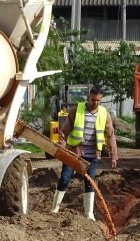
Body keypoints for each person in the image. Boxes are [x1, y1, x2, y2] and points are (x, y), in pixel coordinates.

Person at [50, 86, 118, 220]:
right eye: (93, 100)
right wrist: (62, 149)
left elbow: (110, 136)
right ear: (88, 98)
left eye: (99, 100)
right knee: (64, 178)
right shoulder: (77, 111)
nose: (96, 103)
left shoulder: (105, 114)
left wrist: (113, 155)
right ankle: (55, 209)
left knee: (90, 182)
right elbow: (63, 132)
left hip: (92, 156)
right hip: (74, 153)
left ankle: (89, 214)